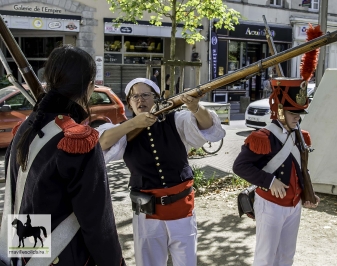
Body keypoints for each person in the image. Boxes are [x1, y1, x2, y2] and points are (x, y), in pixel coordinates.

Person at [0, 45, 125, 266]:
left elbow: (32, 202)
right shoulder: (77, 138)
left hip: (23, 254)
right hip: (67, 256)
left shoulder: (25, 128)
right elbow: (97, 222)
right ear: (89, 87)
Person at [97, 78, 225, 266]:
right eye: (135, 96)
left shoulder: (176, 120)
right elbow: (101, 143)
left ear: (156, 99)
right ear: (130, 103)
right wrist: (133, 124)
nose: (140, 99)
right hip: (147, 213)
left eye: (145, 95)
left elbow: (208, 127)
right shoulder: (124, 131)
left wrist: (196, 107)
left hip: (181, 207)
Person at [233, 77, 320, 266]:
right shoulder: (263, 137)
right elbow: (240, 166)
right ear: (280, 112)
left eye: (300, 113)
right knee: (266, 258)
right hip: (270, 205)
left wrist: (307, 192)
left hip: (294, 204)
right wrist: (270, 181)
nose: (298, 117)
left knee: (286, 256)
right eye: (293, 113)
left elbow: (300, 169)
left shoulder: (300, 136)